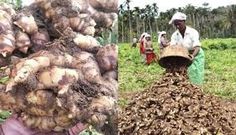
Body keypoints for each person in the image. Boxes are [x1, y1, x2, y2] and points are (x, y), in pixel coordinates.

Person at [169, 12, 205, 85]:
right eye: (175, 24)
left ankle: (196, 89)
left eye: (179, 23)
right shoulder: (174, 35)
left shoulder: (192, 32)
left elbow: (197, 46)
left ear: (184, 21)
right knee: (182, 71)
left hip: (196, 53)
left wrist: (193, 56)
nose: (177, 26)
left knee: (195, 72)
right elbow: (173, 48)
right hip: (183, 55)